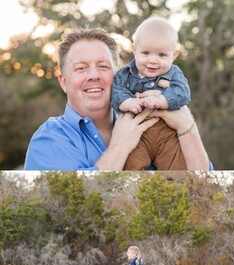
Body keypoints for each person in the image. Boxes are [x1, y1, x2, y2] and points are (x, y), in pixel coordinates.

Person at [23, 27, 210, 170]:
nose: (94, 75)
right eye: (81, 68)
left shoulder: (152, 119)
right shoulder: (49, 140)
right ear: (64, 82)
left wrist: (186, 126)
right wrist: (120, 147)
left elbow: (208, 192)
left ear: (119, 75)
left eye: (103, 66)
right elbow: (75, 208)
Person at [112, 17, 191, 170]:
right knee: (131, 164)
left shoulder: (174, 74)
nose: (153, 61)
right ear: (134, 50)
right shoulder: (125, 73)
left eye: (162, 55)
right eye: (146, 53)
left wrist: (162, 100)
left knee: (176, 167)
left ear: (174, 55)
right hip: (137, 136)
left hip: (167, 135)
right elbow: (116, 91)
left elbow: (183, 93)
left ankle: (175, 191)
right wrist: (129, 102)